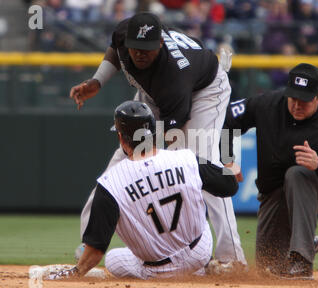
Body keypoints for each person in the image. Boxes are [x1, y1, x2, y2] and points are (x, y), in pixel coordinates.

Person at [70, 11, 247, 269]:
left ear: (161, 43)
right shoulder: (124, 32)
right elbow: (114, 50)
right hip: (153, 94)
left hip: (205, 91)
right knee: (118, 164)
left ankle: (232, 256)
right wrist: (97, 82)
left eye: (148, 49)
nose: (140, 53)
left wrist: (143, 155)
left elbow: (169, 144)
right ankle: (88, 244)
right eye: (136, 48)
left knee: (200, 168)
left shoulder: (174, 77)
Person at [49, 101, 240, 280]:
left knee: (113, 258)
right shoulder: (187, 159)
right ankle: (201, 268)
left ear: (121, 137)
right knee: (199, 217)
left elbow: (95, 251)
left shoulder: (109, 184)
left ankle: (186, 271)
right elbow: (229, 186)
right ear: (154, 133)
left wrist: (75, 272)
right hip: (200, 251)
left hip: (159, 270)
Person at [221, 63, 318, 279]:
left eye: (304, 100)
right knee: (268, 267)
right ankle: (306, 242)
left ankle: (302, 260)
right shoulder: (267, 104)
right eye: (293, 97)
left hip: (315, 188)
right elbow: (224, 121)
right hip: (273, 194)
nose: (297, 105)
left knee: (296, 174)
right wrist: (227, 160)